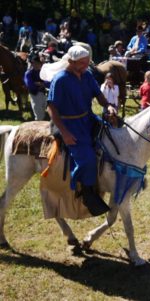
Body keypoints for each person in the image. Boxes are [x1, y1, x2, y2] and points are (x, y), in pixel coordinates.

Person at [47, 45, 116, 216]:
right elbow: (52, 109)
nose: (86, 65)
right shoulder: (61, 79)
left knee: (112, 137)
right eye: (83, 63)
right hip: (69, 125)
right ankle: (87, 193)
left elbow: (98, 95)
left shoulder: (87, 75)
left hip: (88, 118)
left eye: (87, 62)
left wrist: (108, 106)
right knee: (87, 160)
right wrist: (65, 133)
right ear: (71, 61)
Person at [24, 55, 47, 120]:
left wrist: (42, 84)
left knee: (43, 108)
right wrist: (39, 86)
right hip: (35, 94)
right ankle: (38, 125)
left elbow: (49, 81)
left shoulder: (43, 72)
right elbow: (29, 84)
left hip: (44, 93)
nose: (35, 65)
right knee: (38, 111)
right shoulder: (29, 73)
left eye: (37, 63)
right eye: (34, 63)